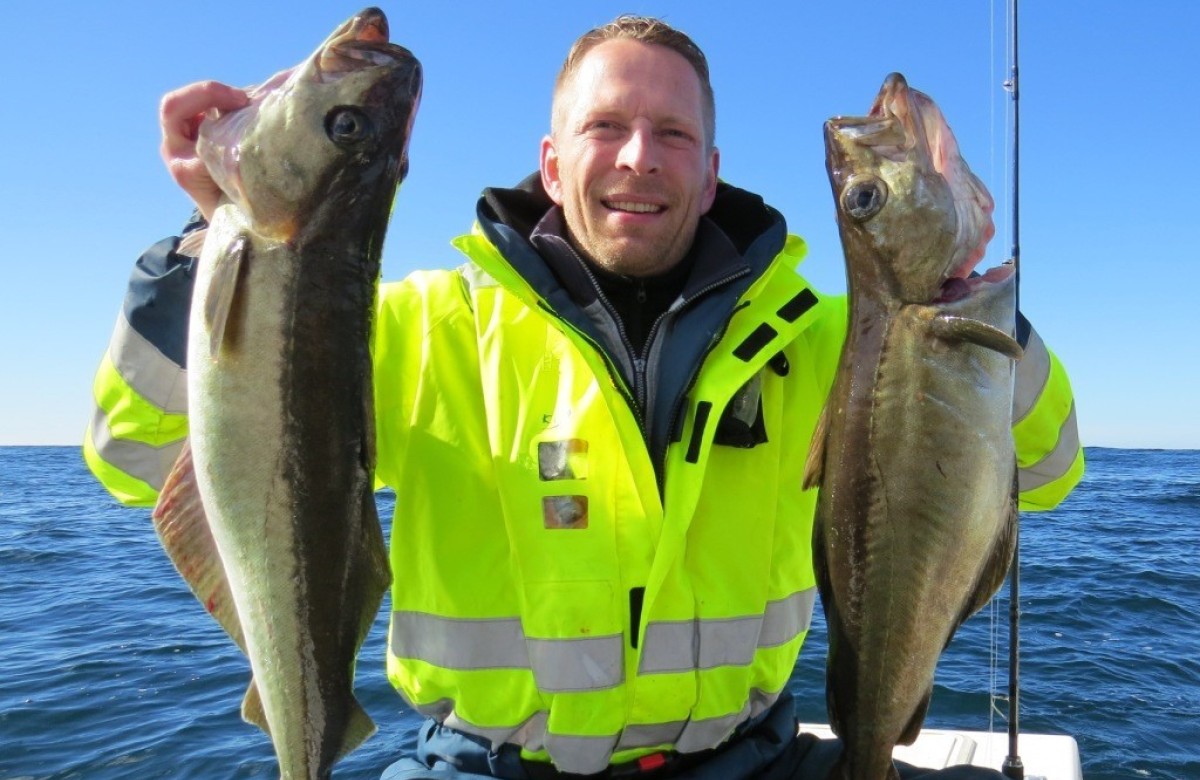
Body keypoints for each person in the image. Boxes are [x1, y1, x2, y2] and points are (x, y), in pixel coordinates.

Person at [83, 16, 1084, 780]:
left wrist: (972, 311)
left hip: (755, 758)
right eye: (606, 127)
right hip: (482, 764)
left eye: (672, 134)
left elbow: (1043, 468)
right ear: (554, 164)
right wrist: (200, 243)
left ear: (710, 170)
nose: (639, 157)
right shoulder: (421, 328)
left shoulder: (828, 340)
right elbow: (136, 451)